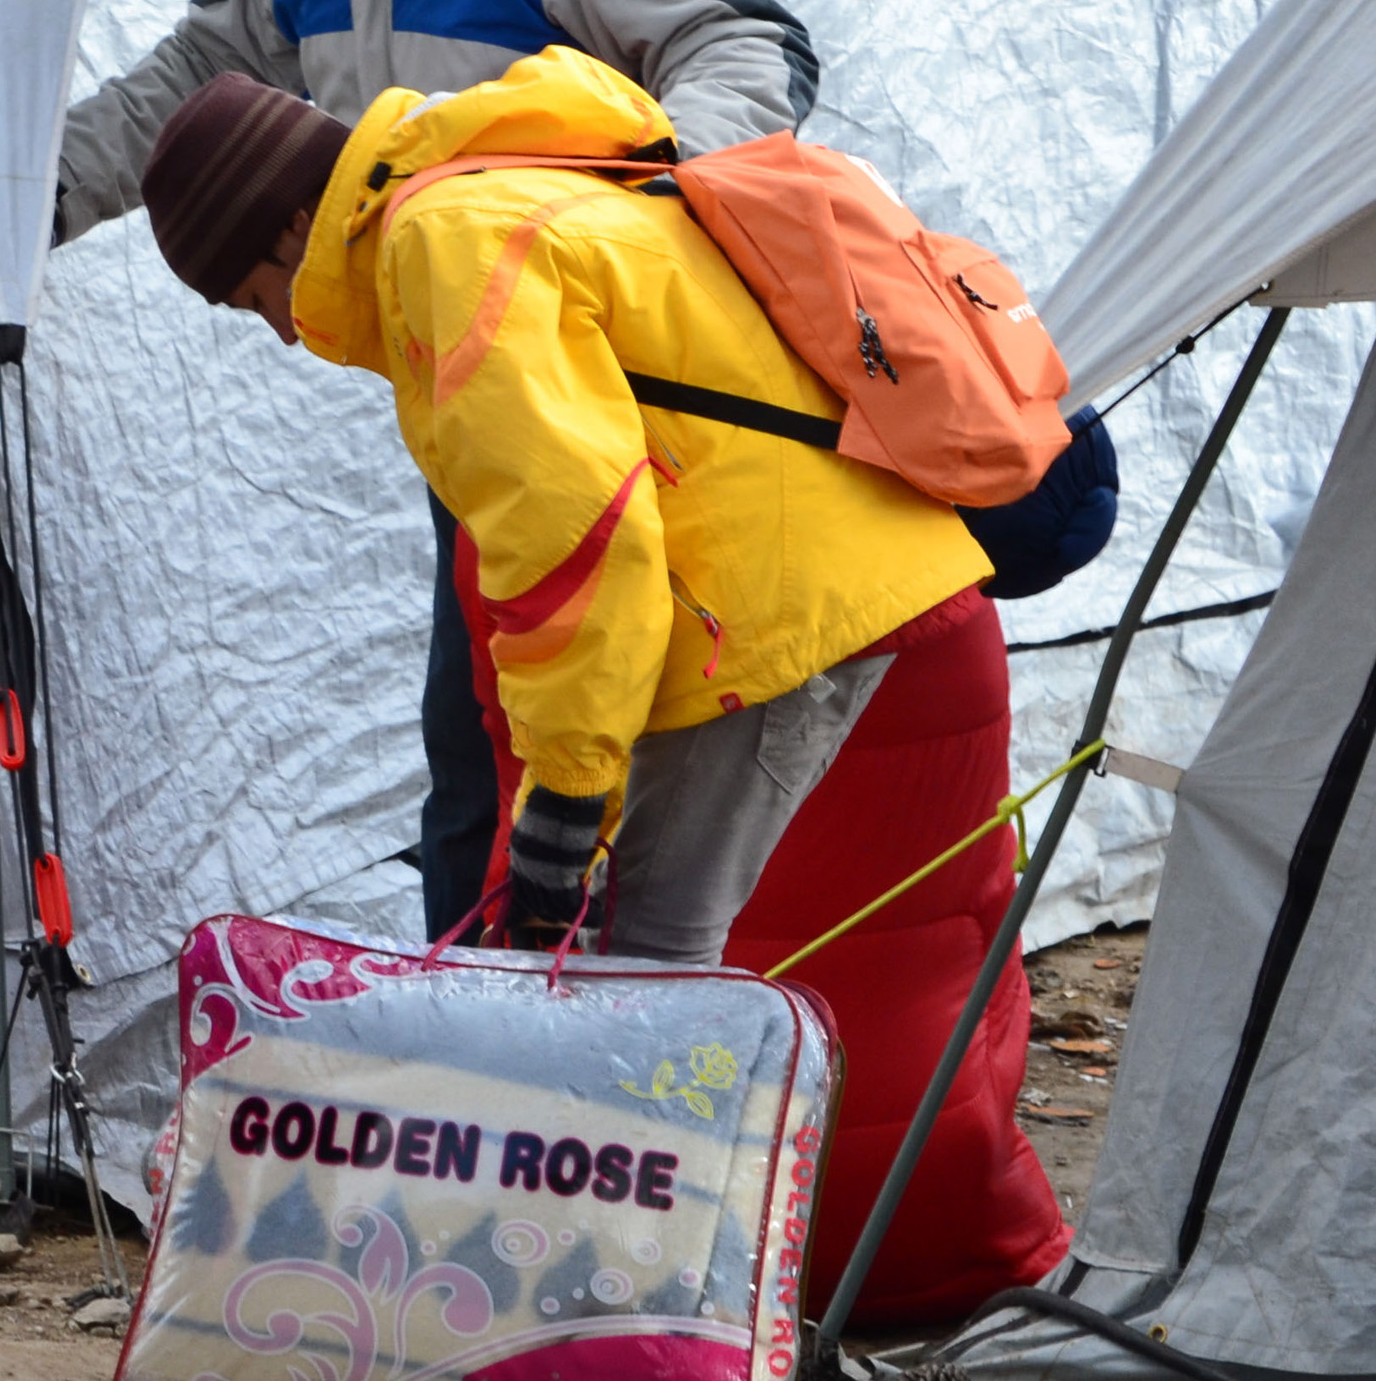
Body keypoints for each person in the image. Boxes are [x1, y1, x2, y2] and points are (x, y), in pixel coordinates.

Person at [49, 0, 820, 942]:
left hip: (650, 411)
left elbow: (745, 45)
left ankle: (583, 1039)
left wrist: (623, 205)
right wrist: (14, 211)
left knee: (622, 761)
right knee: (477, 745)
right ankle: (471, 1028)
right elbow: (197, 76)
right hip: (479, 409)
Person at [135, 55, 991, 958]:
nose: (284, 330)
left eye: (257, 300)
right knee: (639, 959)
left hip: (771, 609)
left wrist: (568, 796)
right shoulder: (502, 180)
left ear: (293, 226)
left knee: (640, 972)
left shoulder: (440, 242)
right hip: (831, 559)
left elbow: (574, 529)